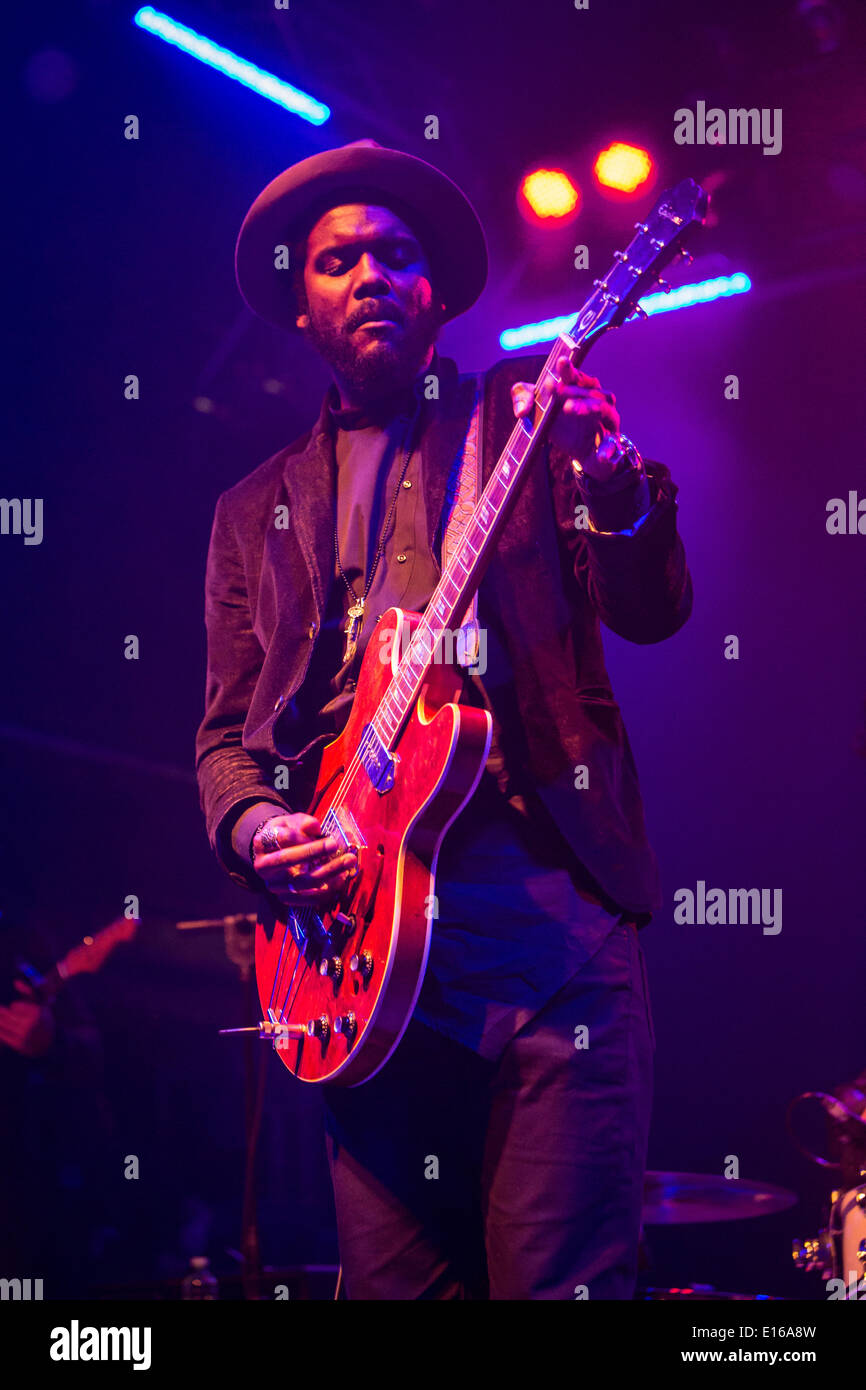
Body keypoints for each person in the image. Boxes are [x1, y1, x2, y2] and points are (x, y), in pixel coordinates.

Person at [195, 140, 692, 1300]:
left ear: (433, 292)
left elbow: (653, 610)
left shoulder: (522, 418)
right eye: (337, 261)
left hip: (547, 943)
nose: (369, 274)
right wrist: (263, 830)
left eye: (395, 254)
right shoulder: (247, 510)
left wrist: (613, 475)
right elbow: (226, 739)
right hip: (355, 963)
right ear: (303, 304)